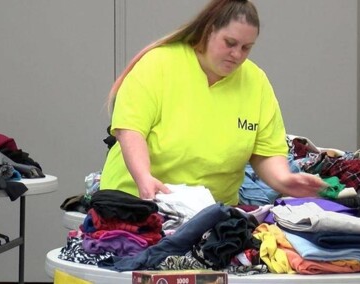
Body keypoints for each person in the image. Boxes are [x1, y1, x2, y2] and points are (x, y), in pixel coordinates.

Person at [100, 0, 326, 205]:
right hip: (137, 202)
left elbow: (265, 151)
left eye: (246, 47)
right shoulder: (159, 63)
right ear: (208, 32)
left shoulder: (256, 82)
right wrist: (144, 178)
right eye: (230, 43)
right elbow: (130, 129)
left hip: (212, 212)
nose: (236, 54)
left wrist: (284, 181)